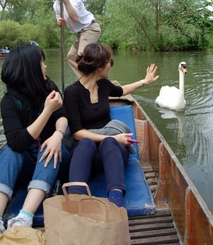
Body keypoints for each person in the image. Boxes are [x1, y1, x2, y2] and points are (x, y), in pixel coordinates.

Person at [0, 45, 70, 245]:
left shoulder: (49, 87)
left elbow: (62, 115)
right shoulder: (9, 101)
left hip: (51, 160)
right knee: (10, 151)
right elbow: (18, 142)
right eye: (41, 63)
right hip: (27, 161)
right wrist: (47, 111)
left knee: (53, 148)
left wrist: (57, 134)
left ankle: (24, 217)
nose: (46, 67)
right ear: (30, 69)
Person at [63, 43, 159, 208]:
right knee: (87, 142)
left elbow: (122, 91)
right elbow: (77, 133)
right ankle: (75, 198)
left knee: (109, 143)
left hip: (110, 152)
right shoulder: (72, 92)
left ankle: (116, 201)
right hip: (86, 155)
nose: (111, 66)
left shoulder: (104, 85)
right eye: (110, 62)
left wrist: (145, 81)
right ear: (100, 67)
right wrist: (114, 137)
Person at [49, 0, 101, 78]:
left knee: (82, 58)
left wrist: (65, 0)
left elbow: (75, 18)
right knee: (71, 57)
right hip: (80, 33)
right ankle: (87, 81)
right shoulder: (56, 4)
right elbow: (61, 21)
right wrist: (60, 23)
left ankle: (92, 83)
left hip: (90, 28)